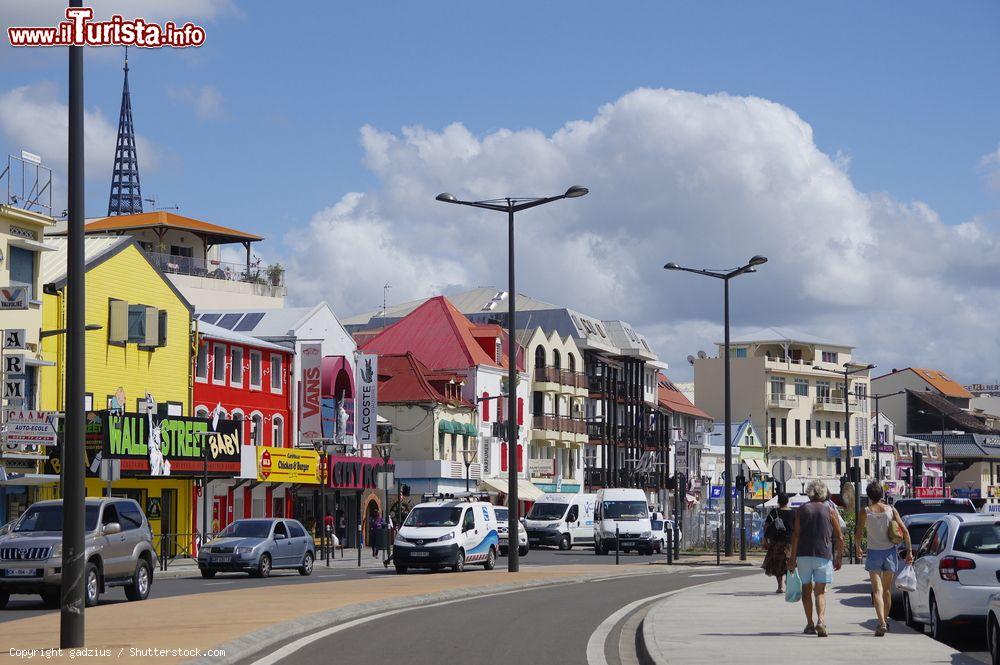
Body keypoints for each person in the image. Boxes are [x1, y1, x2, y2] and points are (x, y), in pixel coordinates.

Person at [788, 480, 845, 637]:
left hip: (804, 555)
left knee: (806, 591)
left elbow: (796, 534)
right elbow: (840, 537)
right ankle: (821, 621)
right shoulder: (830, 511)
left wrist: (792, 558)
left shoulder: (801, 510)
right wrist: (839, 557)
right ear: (824, 493)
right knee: (819, 592)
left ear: (809, 493)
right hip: (823, 555)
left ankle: (810, 624)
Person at [855, 482, 912, 636]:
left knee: (877, 590)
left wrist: (858, 547)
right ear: (882, 495)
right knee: (887, 590)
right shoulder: (891, 510)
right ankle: (885, 620)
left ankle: (881, 623)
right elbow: (905, 532)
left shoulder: (865, 511)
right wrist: (909, 552)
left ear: (869, 496)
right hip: (890, 553)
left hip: (874, 553)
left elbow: (859, 532)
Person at [762, 493, 795, 593]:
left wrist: (765, 539)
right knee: (790, 562)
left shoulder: (774, 512)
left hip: (777, 542)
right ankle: (788, 580)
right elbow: (798, 528)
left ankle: (780, 587)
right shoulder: (794, 513)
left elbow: (766, 525)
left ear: (778, 501)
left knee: (777, 564)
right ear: (788, 501)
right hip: (790, 542)